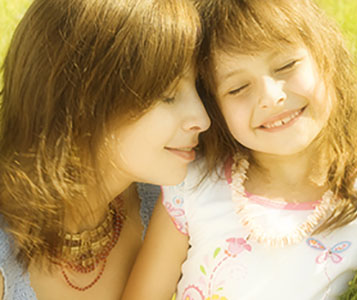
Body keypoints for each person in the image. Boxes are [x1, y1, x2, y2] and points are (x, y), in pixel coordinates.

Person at [122, 0, 357, 299]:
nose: (270, 97)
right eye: (237, 88)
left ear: (327, 58)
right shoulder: (193, 190)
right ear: (214, 107)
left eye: (286, 66)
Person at [0, 0, 210, 299]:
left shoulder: (174, 206)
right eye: (168, 96)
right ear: (82, 102)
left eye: (199, 89)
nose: (202, 119)